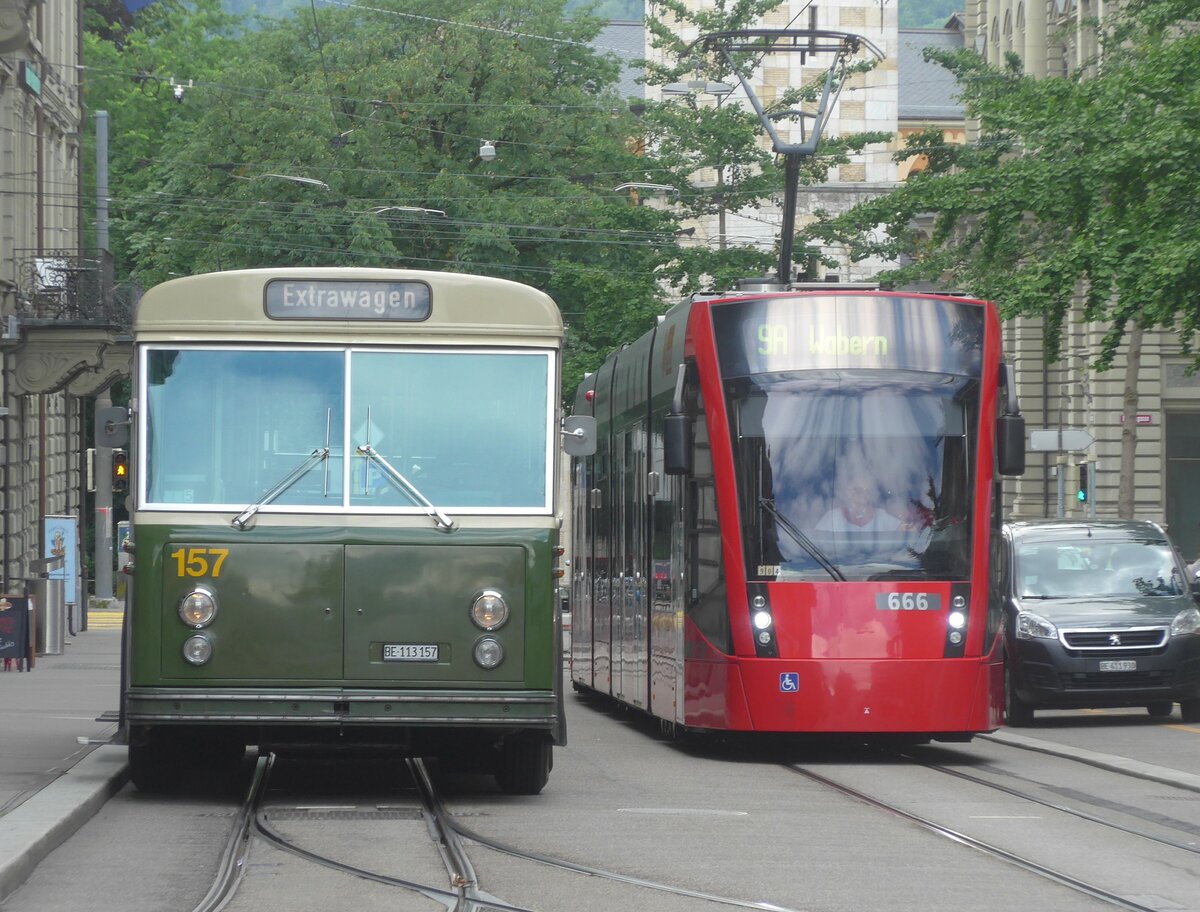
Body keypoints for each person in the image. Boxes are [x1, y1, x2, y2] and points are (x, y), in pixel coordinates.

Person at [814, 475, 902, 534]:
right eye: (859, 490)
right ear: (848, 492)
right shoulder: (833, 516)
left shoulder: (880, 515)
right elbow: (817, 542)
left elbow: (904, 530)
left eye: (867, 491)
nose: (864, 494)